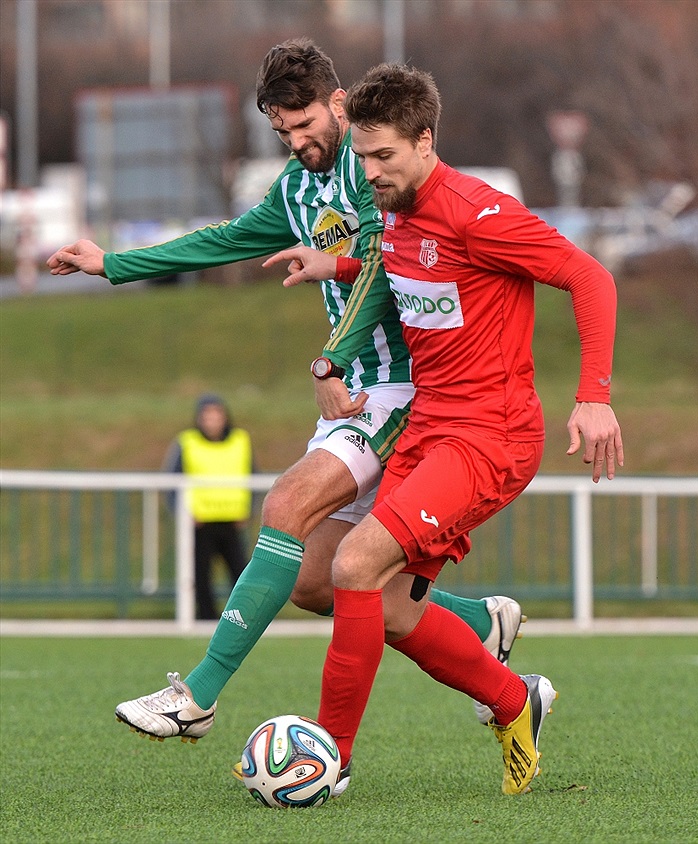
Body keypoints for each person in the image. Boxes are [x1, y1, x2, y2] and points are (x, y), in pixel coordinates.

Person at [46, 41, 526, 751]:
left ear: (338, 103)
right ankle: (481, 626)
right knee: (314, 581)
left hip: (403, 391)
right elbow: (227, 239)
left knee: (285, 505)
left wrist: (330, 349)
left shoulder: (376, 173)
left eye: (304, 124)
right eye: (281, 131)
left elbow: (387, 269)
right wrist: (114, 263)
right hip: (351, 390)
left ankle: (198, 696)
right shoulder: (296, 190)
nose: (296, 141)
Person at [266, 63, 623, 796]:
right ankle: (513, 699)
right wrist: (331, 310)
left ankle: (330, 759)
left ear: (426, 140)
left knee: (357, 566)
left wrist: (594, 396)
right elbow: (380, 274)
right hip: (426, 425)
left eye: (384, 156)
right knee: (327, 584)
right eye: (360, 156)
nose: (368, 172)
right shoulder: (390, 210)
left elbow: (591, 277)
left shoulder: (478, 211)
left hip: (489, 436)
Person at [165, 394, 253, 620]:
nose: (212, 422)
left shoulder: (240, 440)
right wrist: (183, 513)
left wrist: (249, 509)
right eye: (207, 417)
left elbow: (253, 477)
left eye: (216, 416)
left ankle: (243, 618)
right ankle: (206, 618)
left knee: (242, 573)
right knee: (200, 575)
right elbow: (171, 483)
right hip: (200, 521)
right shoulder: (187, 442)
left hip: (232, 520)